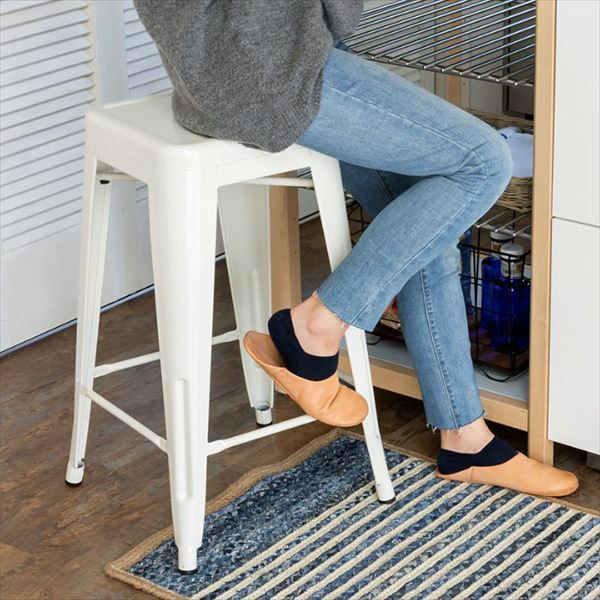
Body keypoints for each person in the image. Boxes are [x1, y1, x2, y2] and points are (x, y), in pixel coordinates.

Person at [133, 0, 578, 497]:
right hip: (270, 73)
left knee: (421, 220)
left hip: (210, 71)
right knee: (483, 161)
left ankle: (465, 438)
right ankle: (316, 326)